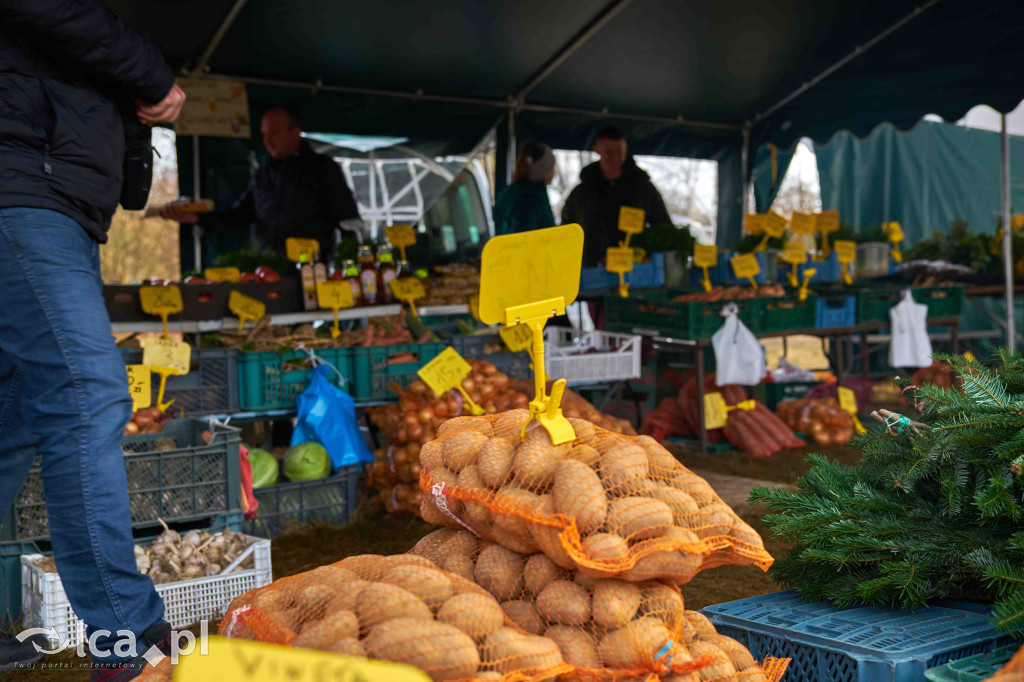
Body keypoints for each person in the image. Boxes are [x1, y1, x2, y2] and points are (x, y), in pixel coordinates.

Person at [0, 1, 184, 678]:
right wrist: (153, 75)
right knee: (85, 391)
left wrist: (136, 128)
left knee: (15, 416)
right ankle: (128, 638)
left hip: (58, 201)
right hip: (22, 191)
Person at [162, 107, 363, 260]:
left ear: (295, 133)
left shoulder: (323, 169)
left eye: (274, 133)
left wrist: (351, 264)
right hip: (269, 267)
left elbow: (348, 220)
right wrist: (196, 218)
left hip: (311, 267)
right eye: (264, 134)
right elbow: (240, 214)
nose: (267, 141)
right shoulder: (263, 175)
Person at [561, 126, 672, 267]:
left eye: (620, 153)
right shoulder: (581, 193)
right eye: (608, 152)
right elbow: (566, 231)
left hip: (634, 272)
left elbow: (664, 227)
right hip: (592, 273)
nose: (614, 158)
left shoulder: (644, 189)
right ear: (596, 150)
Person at [493, 142, 557, 235]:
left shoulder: (511, 193)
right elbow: (522, 240)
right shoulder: (531, 199)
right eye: (552, 168)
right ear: (543, 172)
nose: (554, 172)